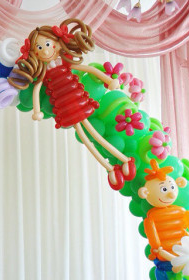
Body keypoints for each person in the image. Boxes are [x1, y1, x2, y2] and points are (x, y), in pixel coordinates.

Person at [8, 18, 135, 190]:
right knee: (86, 138)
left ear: (58, 44)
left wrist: (107, 80)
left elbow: (88, 69)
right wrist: (36, 110)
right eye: (39, 47)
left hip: (78, 100)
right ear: (34, 53)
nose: (45, 50)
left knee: (94, 134)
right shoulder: (43, 73)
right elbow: (37, 88)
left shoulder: (67, 63)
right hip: (65, 107)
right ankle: (110, 168)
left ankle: (125, 160)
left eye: (47, 44)